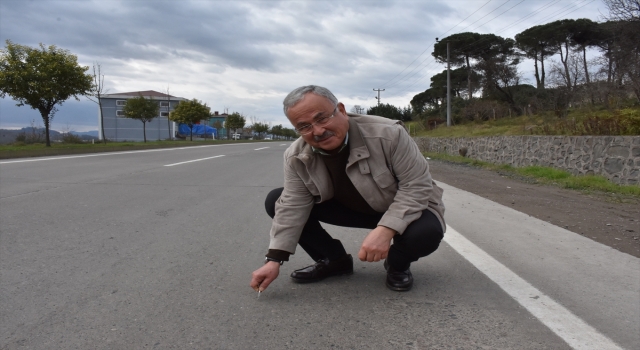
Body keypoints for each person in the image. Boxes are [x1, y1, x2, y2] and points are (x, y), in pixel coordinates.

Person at [250, 85, 445, 292]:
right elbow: (292, 204)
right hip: (351, 209)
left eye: (322, 118)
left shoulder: (389, 134)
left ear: (341, 110)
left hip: (398, 207)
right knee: (276, 200)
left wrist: (387, 229)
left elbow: (417, 186)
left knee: (426, 232)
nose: (318, 131)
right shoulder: (297, 155)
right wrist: (274, 259)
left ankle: (397, 265)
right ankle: (334, 260)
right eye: (304, 126)